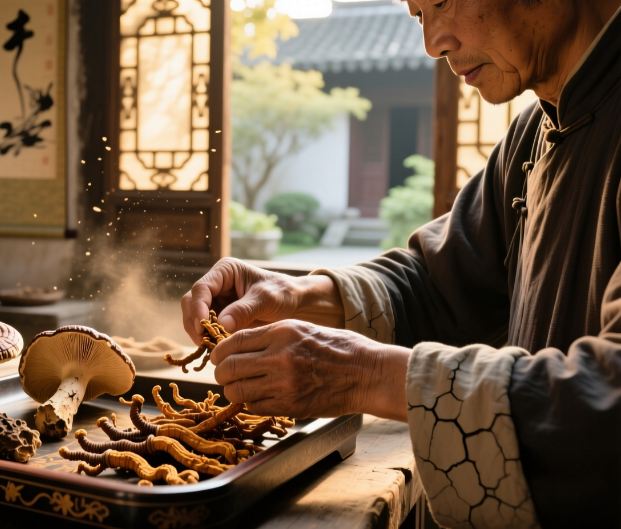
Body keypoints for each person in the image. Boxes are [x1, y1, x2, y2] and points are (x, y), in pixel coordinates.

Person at [182, 1, 621, 527]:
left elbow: (608, 397)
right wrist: (295, 294)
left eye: (442, 2)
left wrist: (363, 375)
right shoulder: (536, 133)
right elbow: (438, 283)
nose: (433, 42)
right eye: (417, 15)